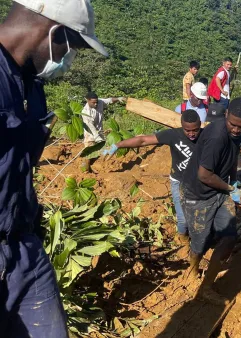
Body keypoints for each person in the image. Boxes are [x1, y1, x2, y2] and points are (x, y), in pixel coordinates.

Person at [0, 0, 109, 335]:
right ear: (53, 32)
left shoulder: (32, 87)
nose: (68, 59)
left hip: (22, 244)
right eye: (71, 46)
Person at [103, 110, 202, 244]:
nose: (191, 134)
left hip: (199, 182)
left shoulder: (206, 136)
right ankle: (183, 240)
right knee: (183, 219)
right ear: (181, 126)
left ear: (200, 125)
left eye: (195, 130)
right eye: (187, 130)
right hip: (178, 182)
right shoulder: (173, 135)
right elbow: (143, 140)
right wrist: (117, 145)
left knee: (200, 216)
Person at [181, 98, 241, 281]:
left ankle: (208, 284)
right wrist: (229, 188)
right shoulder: (216, 136)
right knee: (199, 242)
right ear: (226, 115)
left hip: (219, 190)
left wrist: (234, 180)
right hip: (198, 193)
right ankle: (193, 272)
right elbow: (204, 175)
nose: (236, 130)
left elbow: (234, 154)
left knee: (230, 236)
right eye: (232, 124)